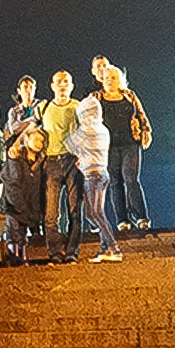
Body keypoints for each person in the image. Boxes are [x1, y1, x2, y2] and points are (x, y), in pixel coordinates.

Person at [92, 61, 152, 230]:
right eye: (106, 78)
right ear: (102, 80)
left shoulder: (129, 96)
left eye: (113, 77)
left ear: (119, 79)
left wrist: (146, 131)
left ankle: (141, 217)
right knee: (114, 182)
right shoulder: (96, 98)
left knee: (131, 178)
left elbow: (141, 114)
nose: (110, 81)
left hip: (130, 143)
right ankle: (122, 220)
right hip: (108, 146)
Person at [69, 89, 123, 263]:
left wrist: (72, 129)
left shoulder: (86, 130)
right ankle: (104, 248)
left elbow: (70, 144)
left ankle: (114, 247)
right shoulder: (103, 129)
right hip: (102, 173)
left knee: (93, 214)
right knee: (98, 212)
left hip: (92, 175)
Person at [40, 70, 83, 261]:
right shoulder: (44, 108)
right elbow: (31, 128)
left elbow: (88, 131)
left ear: (72, 85)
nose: (62, 84)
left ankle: (72, 251)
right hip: (51, 162)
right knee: (51, 213)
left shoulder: (79, 107)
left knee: (75, 210)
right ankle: (55, 252)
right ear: (52, 85)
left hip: (73, 161)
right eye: (59, 81)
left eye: (66, 81)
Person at [0, 126, 47, 266]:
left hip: (29, 206)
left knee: (22, 237)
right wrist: (20, 208)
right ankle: (16, 263)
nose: (39, 143)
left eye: (42, 141)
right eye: (36, 139)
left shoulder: (41, 161)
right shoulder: (16, 158)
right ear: (26, 139)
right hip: (13, 207)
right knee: (14, 236)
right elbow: (12, 186)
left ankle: (22, 262)